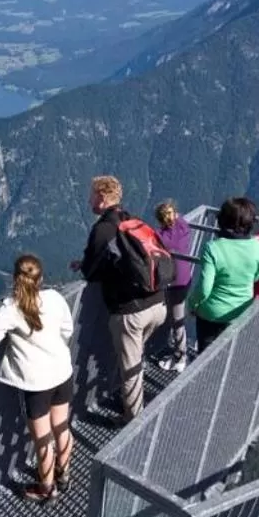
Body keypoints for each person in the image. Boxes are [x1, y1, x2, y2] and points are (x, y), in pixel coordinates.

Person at [73, 175, 167, 423]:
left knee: (131, 368)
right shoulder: (132, 221)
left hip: (131, 311)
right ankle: (129, 398)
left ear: (102, 198)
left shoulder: (103, 229)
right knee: (134, 357)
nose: (89, 200)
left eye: (92, 195)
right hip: (158, 304)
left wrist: (85, 264)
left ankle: (133, 421)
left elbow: (91, 272)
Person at [0, 255, 76, 503]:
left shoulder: (12, 309)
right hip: (62, 372)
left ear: (16, 279)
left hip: (37, 384)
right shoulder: (54, 298)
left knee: (42, 439)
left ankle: (47, 489)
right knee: (61, 426)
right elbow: (67, 329)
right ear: (41, 279)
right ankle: (64, 473)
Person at [187, 197, 259, 350]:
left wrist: (191, 304)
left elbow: (204, 289)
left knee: (206, 357)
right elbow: (256, 277)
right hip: (240, 312)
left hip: (211, 314)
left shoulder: (212, 248)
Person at [152, 201, 197, 371]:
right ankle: (179, 352)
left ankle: (180, 357)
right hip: (186, 277)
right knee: (177, 316)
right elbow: (178, 218)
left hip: (173, 281)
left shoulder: (160, 237)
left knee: (177, 319)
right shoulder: (183, 226)